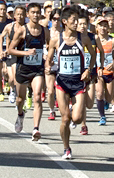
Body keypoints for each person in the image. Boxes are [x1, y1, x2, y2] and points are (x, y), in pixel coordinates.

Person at [45, 6, 96, 159]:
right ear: (65, 22)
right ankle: (66, 147)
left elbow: (93, 55)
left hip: (79, 82)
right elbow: (49, 58)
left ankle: (74, 111)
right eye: (74, 21)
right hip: (62, 82)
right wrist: (48, 66)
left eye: (77, 21)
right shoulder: (56, 39)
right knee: (66, 118)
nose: (76, 23)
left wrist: (88, 70)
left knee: (78, 118)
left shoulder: (83, 38)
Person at [8, 3, 49, 141]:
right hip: (23, 69)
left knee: (37, 96)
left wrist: (48, 56)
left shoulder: (44, 31)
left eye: (38, 12)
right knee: (20, 99)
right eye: (33, 12)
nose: (36, 15)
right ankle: (20, 114)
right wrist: (25, 53)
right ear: (28, 14)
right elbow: (10, 49)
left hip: (37, 69)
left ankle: (36, 129)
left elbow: (50, 47)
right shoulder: (22, 30)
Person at [95, 16, 114, 126]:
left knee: (109, 95)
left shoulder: (113, 40)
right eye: (101, 26)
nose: (103, 28)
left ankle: (107, 102)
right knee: (99, 93)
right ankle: (102, 116)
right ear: (97, 27)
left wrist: (113, 64)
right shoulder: (93, 40)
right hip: (98, 71)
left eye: (105, 26)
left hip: (110, 72)